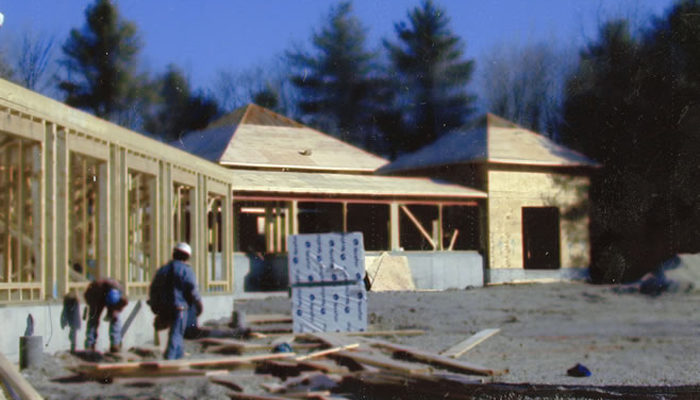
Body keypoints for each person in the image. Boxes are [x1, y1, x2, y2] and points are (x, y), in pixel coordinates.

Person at [149, 242, 203, 360]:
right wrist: (199, 305)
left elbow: (153, 289)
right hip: (180, 308)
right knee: (177, 333)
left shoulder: (162, 270)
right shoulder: (186, 271)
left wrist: (154, 305)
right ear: (187, 257)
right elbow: (193, 291)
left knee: (175, 333)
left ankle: (178, 356)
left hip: (164, 307)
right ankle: (171, 358)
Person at [84, 278, 128, 353]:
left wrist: (113, 312)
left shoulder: (119, 291)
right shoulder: (95, 288)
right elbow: (88, 298)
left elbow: (121, 304)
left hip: (110, 296)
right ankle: (90, 345)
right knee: (93, 320)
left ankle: (115, 344)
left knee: (115, 319)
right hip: (97, 297)